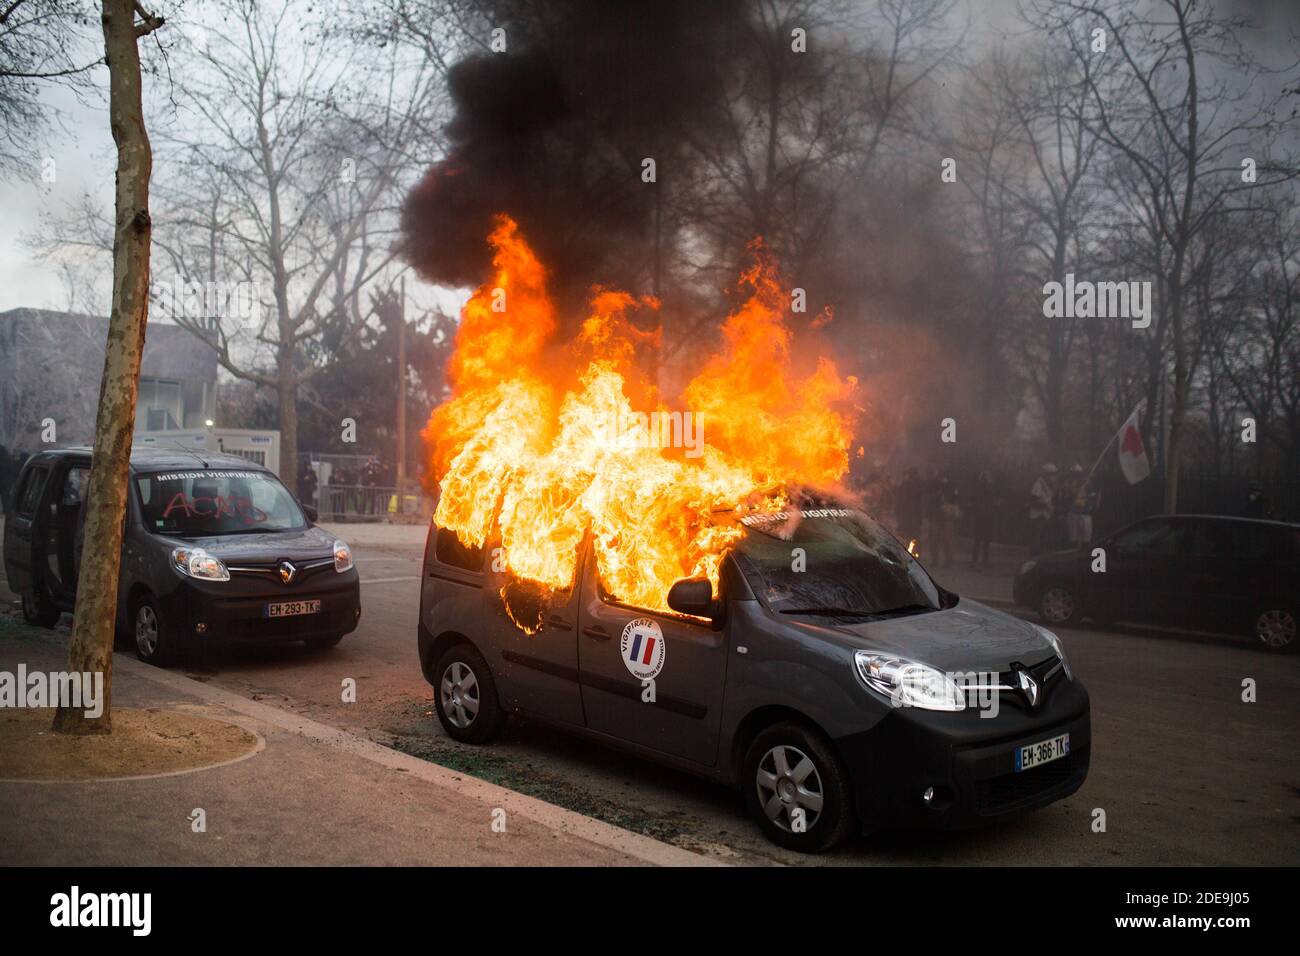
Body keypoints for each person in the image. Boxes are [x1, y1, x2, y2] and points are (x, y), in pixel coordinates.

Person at [969, 470, 998, 568]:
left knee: (980, 539)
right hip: (985, 516)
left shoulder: (978, 488)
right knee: (984, 539)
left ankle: (977, 560)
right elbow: (992, 499)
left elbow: (974, 501)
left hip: (981, 516)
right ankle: (981, 560)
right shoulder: (987, 488)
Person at [931, 471, 960, 568]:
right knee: (936, 541)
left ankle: (947, 561)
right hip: (937, 517)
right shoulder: (935, 486)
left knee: (946, 541)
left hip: (945, 518)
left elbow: (955, 499)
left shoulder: (950, 487)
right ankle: (936, 560)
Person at [1028, 463, 1056, 555]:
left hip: (1045, 516)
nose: (1053, 477)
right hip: (1038, 516)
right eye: (1051, 474)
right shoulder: (1038, 484)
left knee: (1044, 539)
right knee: (1037, 539)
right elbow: (1032, 502)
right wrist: (1045, 505)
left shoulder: (1048, 486)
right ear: (1046, 474)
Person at [894, 467, 925, 550]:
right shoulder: (905, 485)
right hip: (906, 517)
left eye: (910, 474)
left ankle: (914, 555)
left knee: (913, 537)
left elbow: (920, 503)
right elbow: (899, 501)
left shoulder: (918, 485)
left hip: (913, 517)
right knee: (906, 537)